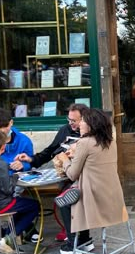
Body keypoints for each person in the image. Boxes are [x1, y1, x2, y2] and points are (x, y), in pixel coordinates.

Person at [54, 108, 128, 254]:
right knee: (72, 194)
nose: (80, 124)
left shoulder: (85, 142)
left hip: (93, 198)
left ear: (91, 124)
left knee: (65, 200)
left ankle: (73, 242)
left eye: (83, 121)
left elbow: (72, 173)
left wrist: (64, 159)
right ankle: (85, 239)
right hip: (113, 196)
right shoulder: (110, 141)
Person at [16, 103, 89, 242]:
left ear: (84, 119)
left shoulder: (91, 134)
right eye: (69, 120)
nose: (70, 124)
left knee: (67, 197)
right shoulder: (65, 130)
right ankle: (76, 234)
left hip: (84, 177)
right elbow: (49, 151)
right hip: (66, 174)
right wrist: (31, 159)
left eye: (74, 121)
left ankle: (76, 238)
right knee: (66, 193)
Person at [0, 108, 34, 173]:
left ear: (11, 122)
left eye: (5, 126)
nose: (3, 130)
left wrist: (23, 165)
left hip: (19, 180)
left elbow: (32, 161)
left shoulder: (24, 141)